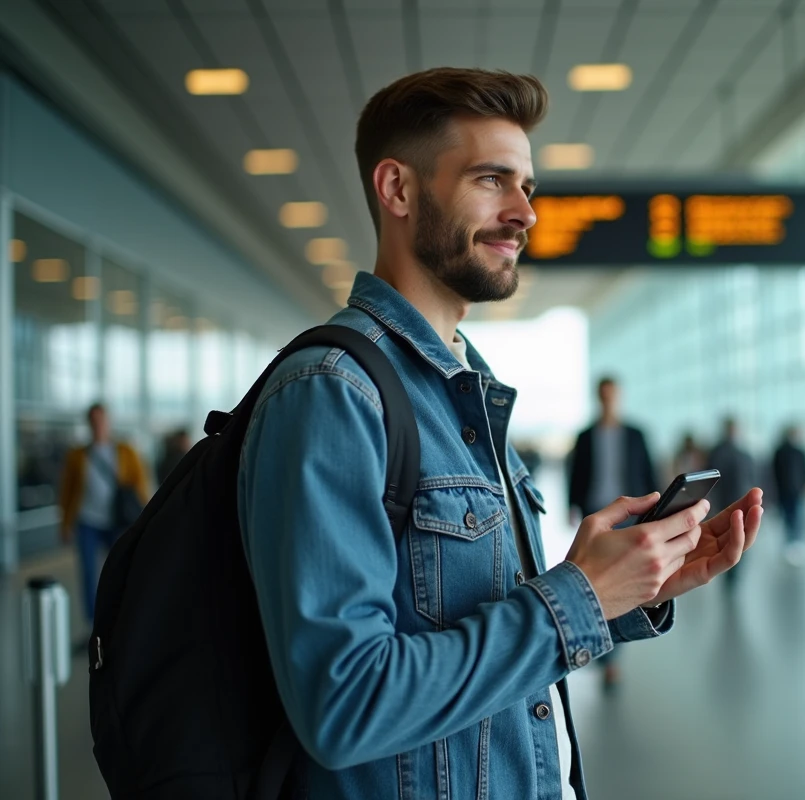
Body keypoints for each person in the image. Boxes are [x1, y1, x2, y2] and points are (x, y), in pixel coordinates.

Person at [237, 68, 764, 800]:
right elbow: (344, 705)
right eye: (493, 180)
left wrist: (615, 595)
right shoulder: (334, 393)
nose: (525, 213)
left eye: (529, 188)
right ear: (398, 190)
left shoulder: (466, 390)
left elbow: (477, 643)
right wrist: (577, 596)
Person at [567, 376, 659, 688]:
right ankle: (606, 652)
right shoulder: (585, 436)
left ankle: (611, 655)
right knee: (597, 583)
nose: (608, 400)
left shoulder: (635, 435)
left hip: (630, 514)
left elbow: (649, 473)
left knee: (623, 582)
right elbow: (575, 473)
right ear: (598, 397)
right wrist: (572, 506)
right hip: (597, 513)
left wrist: (656, 511)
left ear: (619, 396)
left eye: (612, 395)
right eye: (603, 395)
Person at [57, 403, 150, 623]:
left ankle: (120, 622)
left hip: (116, 522)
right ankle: (93, 624)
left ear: (108, 422)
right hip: (87, 521)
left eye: (101, 420)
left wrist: (146, 518)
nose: (97, 425)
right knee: (89, 575)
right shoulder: (78, 455)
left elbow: (140, 485)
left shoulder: (125, 451)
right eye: (93, 420)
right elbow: (67, 490)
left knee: (121, 570)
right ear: (89, 423)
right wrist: (65, 524)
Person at [707, 417, 757, 592]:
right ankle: (731, 572)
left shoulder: (719, 452)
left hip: (731, 500)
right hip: (731, 500)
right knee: (736, 536)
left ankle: (731, 573)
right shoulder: (737, 452)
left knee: (736, 536)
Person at [773, 425, 805, 565]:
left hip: (796, 490)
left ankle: (796, 543)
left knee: (797, 517)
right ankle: (790, 543)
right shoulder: (781, 451)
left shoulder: (800, 452)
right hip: (786, 490)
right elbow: (775, 472)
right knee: (789, 517)